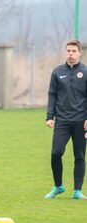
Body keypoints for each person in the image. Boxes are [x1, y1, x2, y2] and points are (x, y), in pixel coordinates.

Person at [45, 39, 87, 200]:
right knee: (56, 153)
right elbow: (52, 95)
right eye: (68, 50)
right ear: (65, 52)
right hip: (62, 121)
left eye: (74, 51)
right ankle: (58, 187)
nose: (70, 53)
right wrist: (50, 116)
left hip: (80, 122)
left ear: (79, 53)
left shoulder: (85, 71)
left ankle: (77, 191)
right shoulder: (57, 71)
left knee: (80, 156)